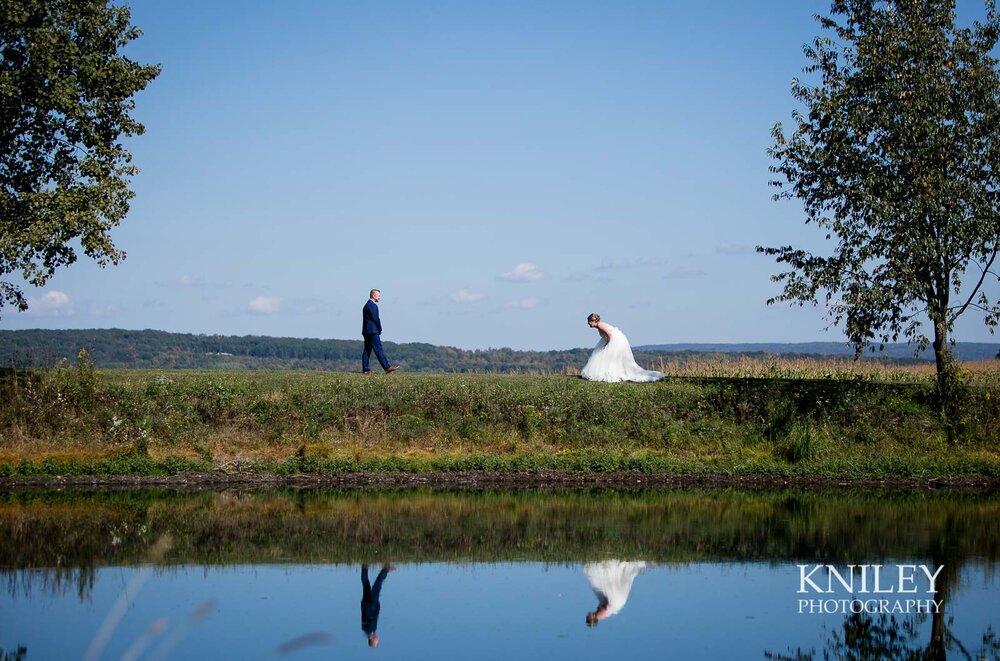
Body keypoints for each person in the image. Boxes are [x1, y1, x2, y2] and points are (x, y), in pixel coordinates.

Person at [580, 313, 663, 383]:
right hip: (613, 339)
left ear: (593, 321)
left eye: (589, 322)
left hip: (615, 340)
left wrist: (608, 346)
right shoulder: (599, 326)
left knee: (607, 356)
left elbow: (610, 335)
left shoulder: (601, 325)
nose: (588, 324)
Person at [583, 560, 648, 626]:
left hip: (616, 601)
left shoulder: (598, 615)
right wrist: (608, 594)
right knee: (611, 581)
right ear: (592, 618)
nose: (588, 615)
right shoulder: (599, 615)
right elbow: (606, 607)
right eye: (588, 617)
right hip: (614, 599)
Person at [362, 289, 399, 374]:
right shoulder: (372, 306)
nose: (380, 297)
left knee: (367, 351)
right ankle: (387, 367)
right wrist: (380, 328)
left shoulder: (367, 305)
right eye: (379, 296)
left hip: (366, 331)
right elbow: (376, 319)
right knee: (378, 349)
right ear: (373, 296)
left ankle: (366, 370)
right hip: (372, 331)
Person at [360, 564, 394, 647]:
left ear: (372, 640)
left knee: (378, 585)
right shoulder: (364, 629)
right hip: (365, 604)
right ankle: (364, 565)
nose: (378, 638)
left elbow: (374, 616)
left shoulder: (371, 629)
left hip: (371, 605)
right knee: (366, 584)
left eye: (376, 641)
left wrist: (377, 606)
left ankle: (386, 569)